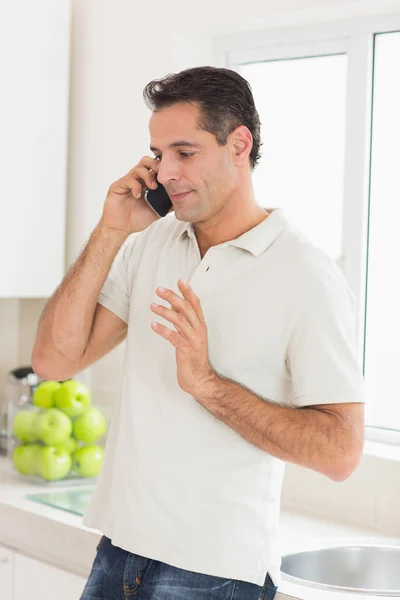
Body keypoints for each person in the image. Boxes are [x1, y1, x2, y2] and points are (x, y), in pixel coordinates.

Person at [32, 66, 365, 600]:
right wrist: (111, 230)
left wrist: (207, 383)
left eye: (185, 153)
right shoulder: (152, 242)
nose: (165, 173)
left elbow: (341, 453)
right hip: (118, 554)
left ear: (239, 144)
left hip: (212, 573)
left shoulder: (304, 272)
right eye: (158, 154)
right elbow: (54, 361)